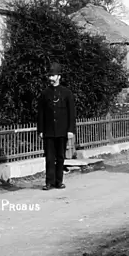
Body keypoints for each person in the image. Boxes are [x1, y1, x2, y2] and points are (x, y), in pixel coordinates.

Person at [37, 62, 76, 190]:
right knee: (49, 158)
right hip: (48, 131)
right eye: (50, 76)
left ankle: (58, 181)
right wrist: (41, 130)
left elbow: (71, 113)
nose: (51, 79)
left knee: (60, 157)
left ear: (59, 76)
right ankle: (49, 182)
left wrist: (70, 130)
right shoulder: (44, 94)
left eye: (53, 76)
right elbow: (41, 113)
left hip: (62, 131)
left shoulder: (67, 93)